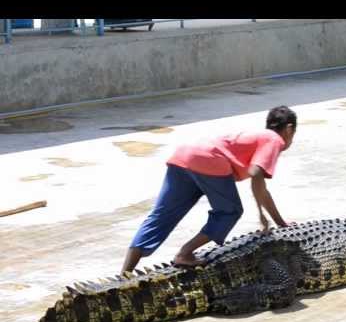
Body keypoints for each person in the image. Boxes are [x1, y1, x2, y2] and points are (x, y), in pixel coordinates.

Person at [121, 105, 297, 273]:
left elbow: (262, 188)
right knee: (230, 212)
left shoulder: (256, 135)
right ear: (289, 129)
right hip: (209, 161)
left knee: (161, 216)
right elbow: (255, 172)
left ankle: (125, 272)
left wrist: (279, 222)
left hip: (183, 156)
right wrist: (261, 215)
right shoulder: (274, 140)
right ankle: (185, 253)